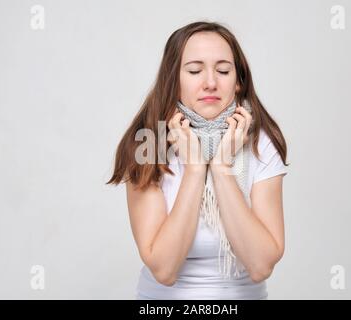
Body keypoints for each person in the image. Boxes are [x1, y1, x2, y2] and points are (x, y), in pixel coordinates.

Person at [106, 21, 290, 300]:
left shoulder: (259, 142)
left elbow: (260, 264)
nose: (211, 82)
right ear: (173, 80)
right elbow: (164, 270)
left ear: (238, 82)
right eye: (194, 70)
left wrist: (220, 168)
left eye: (223, 70)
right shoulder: (149, 143)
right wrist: (194, 169)